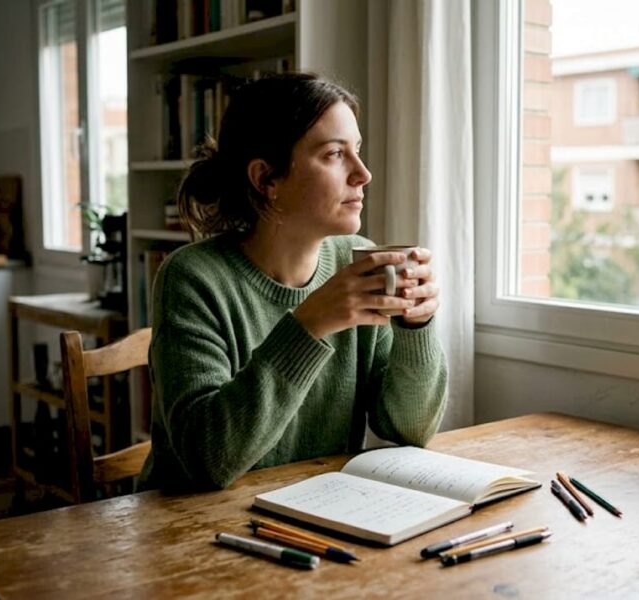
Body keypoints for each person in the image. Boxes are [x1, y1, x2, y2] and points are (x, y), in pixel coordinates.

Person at [138, 73, 448, 492]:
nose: (363, 174)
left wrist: (416, 327)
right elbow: (207, 460)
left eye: (356, 151)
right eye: (335, 154)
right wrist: (310, 324)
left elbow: (409, 430)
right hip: (192, 527)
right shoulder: (192, 278)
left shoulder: (354, 259)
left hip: (315, 510)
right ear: (266, 179)